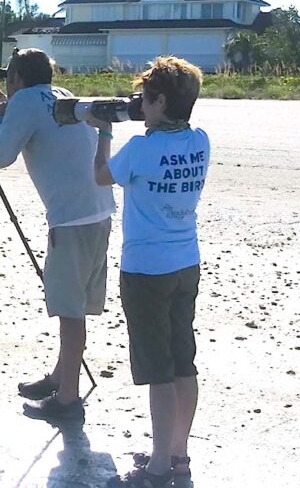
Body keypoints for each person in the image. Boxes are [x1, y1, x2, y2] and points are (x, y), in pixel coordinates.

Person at [89, 56, 209, 488]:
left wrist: (103, 130)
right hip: (185, 261)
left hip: (145, 269)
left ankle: (158, 467)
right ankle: (178, 453)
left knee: (157, 368)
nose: (139, 104)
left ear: (159, 100)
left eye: (144, 98)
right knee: (183, 362)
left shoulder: (142, 148)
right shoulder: (201, 140)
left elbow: (102, 176)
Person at [0, 48, 115, 420]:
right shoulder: (62, 95)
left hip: (71, 219)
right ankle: (61, 377)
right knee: (75, 308)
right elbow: (28, 113)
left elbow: (1, 154)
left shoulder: (22, 101)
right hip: (99, 211)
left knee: (69, 312)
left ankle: (68, 399)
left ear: (17, 78)